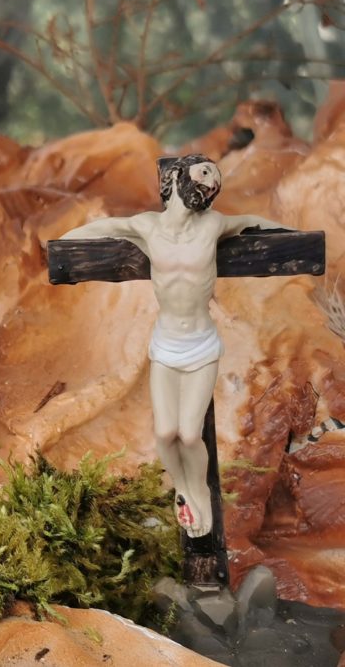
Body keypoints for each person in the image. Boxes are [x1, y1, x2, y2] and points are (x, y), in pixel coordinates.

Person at [59, 154, 293, 537]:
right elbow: (107, 227)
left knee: (189, 435)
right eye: (205, 172)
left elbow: (252, 223)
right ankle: (182, 487)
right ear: (180, 176)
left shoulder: (212, 225)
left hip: (201, 346)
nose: (212, 182)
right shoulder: (148, 227)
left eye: (216, 179)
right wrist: (62, 243)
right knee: (165, 434)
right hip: (166, 346)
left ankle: (199, 489)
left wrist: (296, 236)